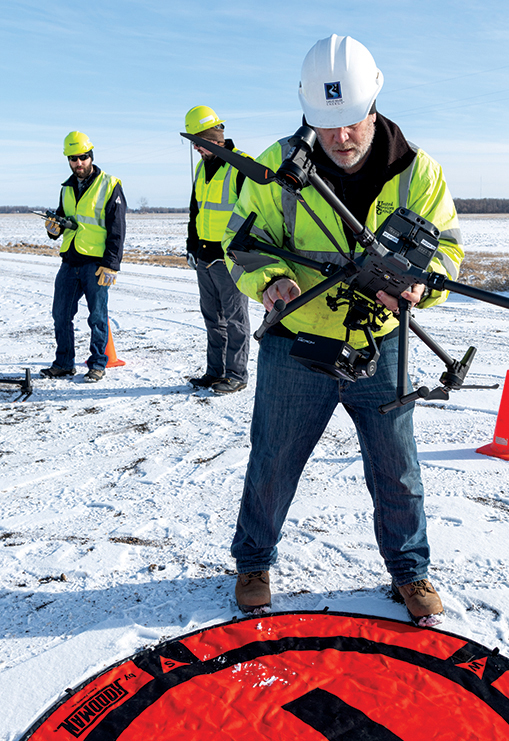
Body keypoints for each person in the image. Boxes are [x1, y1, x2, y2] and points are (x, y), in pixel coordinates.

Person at [223, 35, 464, 623]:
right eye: (327, 126)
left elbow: (449, 252)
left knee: (396, 465)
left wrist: (419, 286)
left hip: (380, 341)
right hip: (296, 342)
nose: (342, 137)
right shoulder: (278, 165)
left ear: (373, 107)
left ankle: (411, 572)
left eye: (352, 122)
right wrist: (273, 283)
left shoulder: (419, 173)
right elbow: (240, 245)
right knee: (273, 459)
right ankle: (254, 560)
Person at [41, 131, 126, 383]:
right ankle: (64, 363)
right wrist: (53, 229)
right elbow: (62, 218)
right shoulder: (66, 188)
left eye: (83, 157)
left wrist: (112, 264)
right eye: (73, 158)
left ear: (91, 156)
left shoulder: (110, 184)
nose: (78, 163)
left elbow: (117, 229)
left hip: (97, 264)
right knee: (60, 314)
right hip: (70, 261)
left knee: (97, 316)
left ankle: (98, 363)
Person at [184, 105, 250, 394]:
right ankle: (215, 372)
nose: (195, 148)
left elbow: (257, 215)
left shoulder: (242, 166)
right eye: (193, 143)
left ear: (214, 137)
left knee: (235, 319)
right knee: (212, 319)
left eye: (199, 141)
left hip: (230, 258)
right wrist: (192, 247)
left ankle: (237, 374)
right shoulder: (201, 168)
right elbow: (195, 210)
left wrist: (242, 252)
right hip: (205, 256)